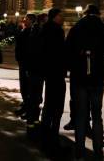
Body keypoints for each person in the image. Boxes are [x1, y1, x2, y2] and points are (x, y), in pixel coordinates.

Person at [66, 4, 104, 160]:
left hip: (79, 78)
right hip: (97, 78)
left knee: (80, 115)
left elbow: (68, 51)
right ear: (98, 14)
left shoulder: (76, 28)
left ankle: (79, 151)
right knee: (97, 115)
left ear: (84, 14)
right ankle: (98, 151)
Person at [40, 8, 66, 154]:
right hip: (56, 73)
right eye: (61, 16)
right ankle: (53, 140)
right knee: (56, 107)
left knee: (49, 105)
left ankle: (46, 138)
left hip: (49, 73)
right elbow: (59, 52)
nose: (63, 18)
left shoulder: (45, 29)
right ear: (55, 17)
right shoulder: (56, 31)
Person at [26, 12, 48, 134]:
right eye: (45, 20)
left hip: (35, 68)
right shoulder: (37, 33)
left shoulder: (35, 31)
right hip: (36, 69)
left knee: (35, 95)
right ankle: (32, 121)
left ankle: (33, 120)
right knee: (35, 95)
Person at [15, 13, 36, 117]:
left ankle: (28, 109)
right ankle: (26, 106)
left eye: (26, 19)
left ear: (31, 21)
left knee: (26, 86)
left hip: (26, 63)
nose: (24, 20)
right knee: (24, 86)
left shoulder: (30, 32)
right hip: (23, 62)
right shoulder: (25, 30)